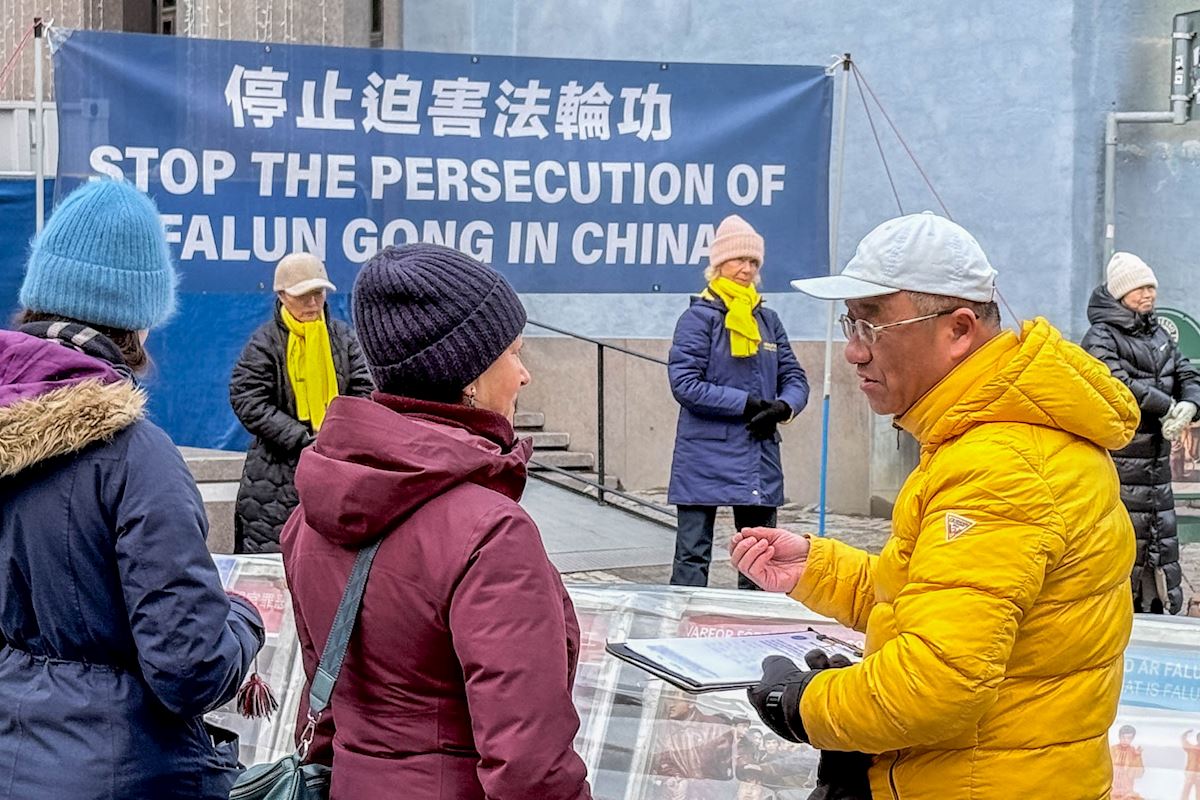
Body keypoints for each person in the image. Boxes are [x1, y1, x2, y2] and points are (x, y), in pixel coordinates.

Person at [732, 213, 1140, 799]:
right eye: (850, 323)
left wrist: (800, 704)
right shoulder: (983, 434)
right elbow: (951, 600)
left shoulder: (1000, 462)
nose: (851, 352)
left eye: (872, 327)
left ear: (958, 330)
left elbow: (935, 684)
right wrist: (818, 569)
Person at [280, 243, 591, 799]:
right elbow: (529, 770)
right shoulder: (491, 532)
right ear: (468, 374)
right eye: (515, 352)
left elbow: (327, 700)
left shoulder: (310, 515)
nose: (524, 375)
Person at [0, 179, 265, 799]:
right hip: (126, 771)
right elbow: (190, 670)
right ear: (140, 324)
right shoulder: (137, 458)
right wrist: (243, 618)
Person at [668, 214, 809, 590]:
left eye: (754, 262)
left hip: (756, 452)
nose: (747, 269)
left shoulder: (768, 320)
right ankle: (681, 627)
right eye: (739, 260)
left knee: (760, 556)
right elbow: (684, 383)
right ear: (718, 264)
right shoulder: (698, 319)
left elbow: (794, 377)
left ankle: (752, 627)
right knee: (693, 555)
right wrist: (745, 404)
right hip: (704, 453)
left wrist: (784, 407)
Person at [229, 252, 372, 553]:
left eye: (318, 294)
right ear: (282, 296)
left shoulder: (344, 339)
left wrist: (337, 434)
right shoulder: (265, 343)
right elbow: (247, 397)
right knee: (274, 559)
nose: (312, 303)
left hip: (335, 465)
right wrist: (299, 437)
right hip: (275, 475)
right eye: (303, 295)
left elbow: (364, 389)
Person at [1082, 252, 1200, 615]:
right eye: (1140, 288)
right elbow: (1116, 382)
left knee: (1159, 536)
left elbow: (1187, 374)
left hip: (1155, 460)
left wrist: (1190, 405)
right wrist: (1166, 406)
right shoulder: (1100, 336)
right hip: (1120, 456)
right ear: (1121, 294)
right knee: (1122, 536)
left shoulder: (1159, 333)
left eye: (1151, 286)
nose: (1149, 294)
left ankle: (1156, 606)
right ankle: (1119, 611)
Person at [1111, 725, 1145, 800]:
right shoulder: (1112, 750)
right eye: (1123, 737)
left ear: (1132, 739)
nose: (1125, 740)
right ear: (1119, 737)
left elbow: (1139, 774)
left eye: (1128, 738)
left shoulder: (1134, 752)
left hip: (1127, 792)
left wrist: (1137, 757)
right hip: (1111, 790)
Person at [1183, 729, 1200, 800]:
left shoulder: (1192, 748)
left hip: (1196, 773)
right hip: (1191, 772)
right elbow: (1184, 742)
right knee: (1186, 791)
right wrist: (1185, 734)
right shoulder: (1192, 748)